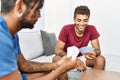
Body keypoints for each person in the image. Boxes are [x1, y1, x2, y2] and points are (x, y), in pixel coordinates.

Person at [0, 0, 78, 80]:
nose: (39, 15)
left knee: (49, 71)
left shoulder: (12, 34)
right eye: (37, 9)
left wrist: (57, 64)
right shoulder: (2, 37)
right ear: (20, 6)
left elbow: (24, 65)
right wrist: (61, 70)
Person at [54, 5, 106, 80]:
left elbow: (98, 50)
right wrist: (73, 59)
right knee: (56, 58)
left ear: (88, 20)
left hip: (82, 57)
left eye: (85, 20)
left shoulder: (92, 29)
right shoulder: (66, 29)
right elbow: (57, 50)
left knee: (101, 59)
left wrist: (94, 53)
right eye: (79, 20)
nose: (82, 23)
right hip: (67, 57)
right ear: (74, 19)